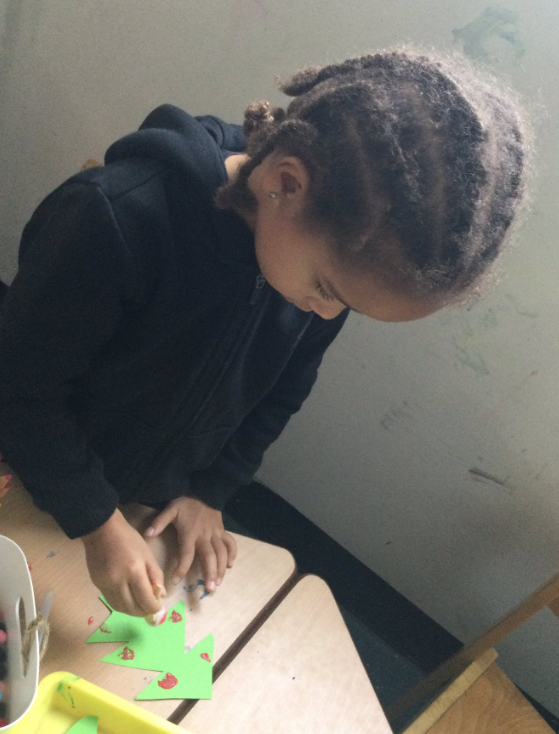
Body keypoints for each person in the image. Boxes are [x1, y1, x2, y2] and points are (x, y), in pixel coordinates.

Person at [0, 48, 528, 618]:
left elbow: (282, 392)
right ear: (285, 183)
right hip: (30, 473)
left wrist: (209, 491)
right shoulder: (114, 218)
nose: (326, 314)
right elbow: (22, 390)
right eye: (327, 290)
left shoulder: (324, 272)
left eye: (345, 305)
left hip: (136, 504)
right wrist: (97, 523)